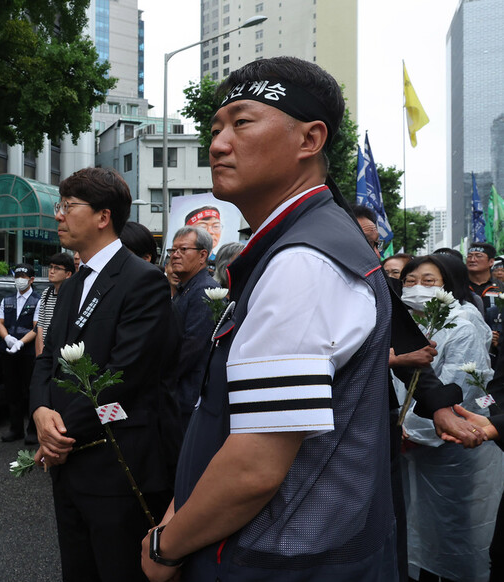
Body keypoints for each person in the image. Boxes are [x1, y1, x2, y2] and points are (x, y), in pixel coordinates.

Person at [142, 57, 397, 581]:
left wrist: (164, 547)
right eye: (214, 129)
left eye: (241, 122)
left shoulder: (303, 261)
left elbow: (255, 469)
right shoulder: (300, 244)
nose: (216, 143)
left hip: (277, 561)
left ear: (310, 140)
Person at [30, 167, 173, 582]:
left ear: (102, 216)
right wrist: (40, 412)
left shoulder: (143, 281)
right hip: (68, 464)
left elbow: (124, 380)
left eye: (68, 206)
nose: (58, 215)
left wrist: (58, 433)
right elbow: (46, 359)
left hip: (116, 464)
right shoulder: (72, 285)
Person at [395, 255, 503, 582]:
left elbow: (461, 392)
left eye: (429, 281)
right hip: (407, 446)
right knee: (415, 526)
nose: (417, 289)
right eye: (410, 281)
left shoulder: (461, 326)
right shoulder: (404, 324)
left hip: (450, 446)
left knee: (452, 526)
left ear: (448, 285)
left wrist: (410, 430)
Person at [163, 226, 217, 440]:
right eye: (172, 250)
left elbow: (190, 347)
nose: (175, 255)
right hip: (179, 395)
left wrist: (160, 378)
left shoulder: (204, 291)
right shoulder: (186, 288)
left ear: (203, 255)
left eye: (183, 249)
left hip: (188, 397)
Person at [0, 263, 40, 445]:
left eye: (23, 277)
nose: (19, 280)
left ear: (31, 280)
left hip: (28, 352)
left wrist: (21, 342)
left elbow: (37, 327)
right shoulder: (6, 300)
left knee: (30, 391)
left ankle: (33, 430)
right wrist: (7, 339)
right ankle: (15, 429)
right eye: (17, 276)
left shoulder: (38, 300)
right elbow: (0, 323)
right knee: (12, 391)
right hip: (9, 351)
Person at [35, 253, 74, 357]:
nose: (52, 271)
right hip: (45, 351)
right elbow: (40, 325)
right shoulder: (46, 293)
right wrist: (40, 352)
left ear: (68, 274)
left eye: (57, 268)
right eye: (51, 267)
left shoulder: (73, 295)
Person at [466, 242, 502, 320]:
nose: (472, 260)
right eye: (469, 256)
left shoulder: (500, 287)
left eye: (478, 256)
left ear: (491, 262)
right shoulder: (460, 286)